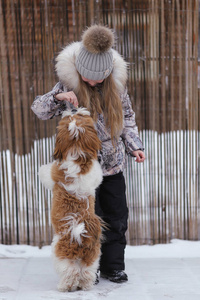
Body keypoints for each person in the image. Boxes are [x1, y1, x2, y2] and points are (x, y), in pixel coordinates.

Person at [31, 24, 145, 283]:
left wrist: (135, 146)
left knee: (116, 218)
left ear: (108, 73)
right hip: (81, 171)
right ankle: (85, 267)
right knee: (84, 220)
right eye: (88, 77)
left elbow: (127, 119)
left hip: (112, 166)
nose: (93, 82)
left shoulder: (117, 89)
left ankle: (113, 266)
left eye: (99, 77)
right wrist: (59, 97)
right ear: (79, 71)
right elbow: (39, 109)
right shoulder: (66, 85)